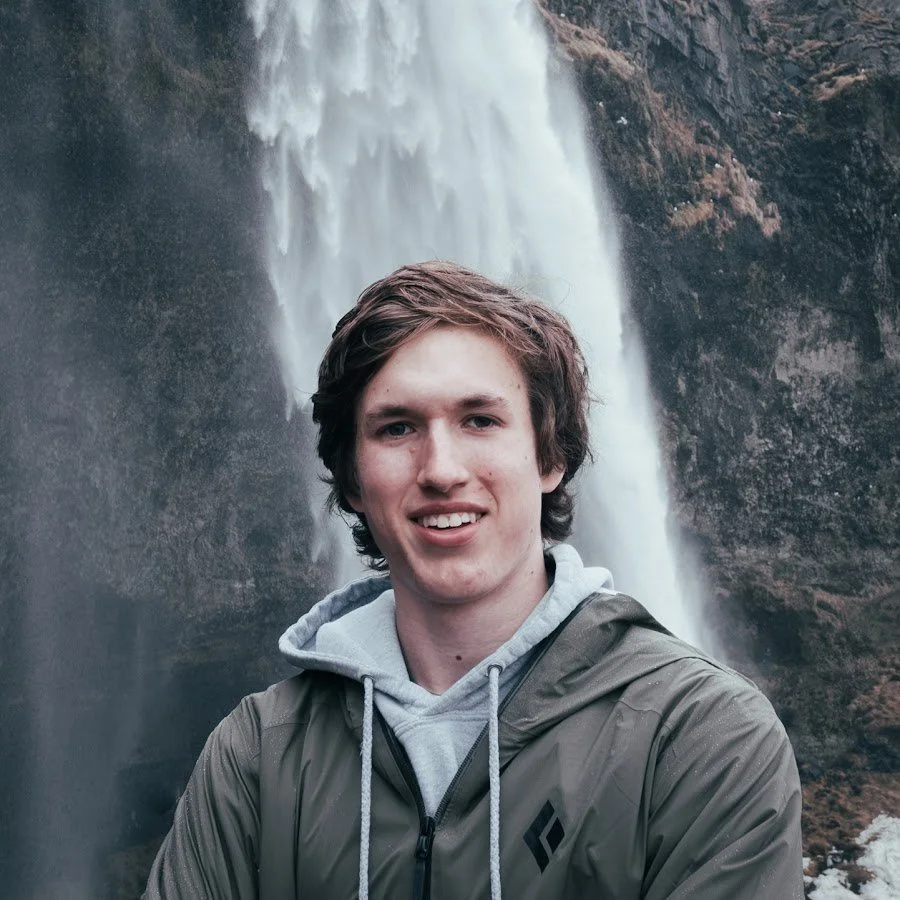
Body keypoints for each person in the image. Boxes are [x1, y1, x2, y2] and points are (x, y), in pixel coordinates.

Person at [144, 261, 804, 899]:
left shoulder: (700, 738)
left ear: (551, 455)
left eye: (479, 420)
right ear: (350, 479)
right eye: (397, 427)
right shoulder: (256, 760)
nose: (441, 468)